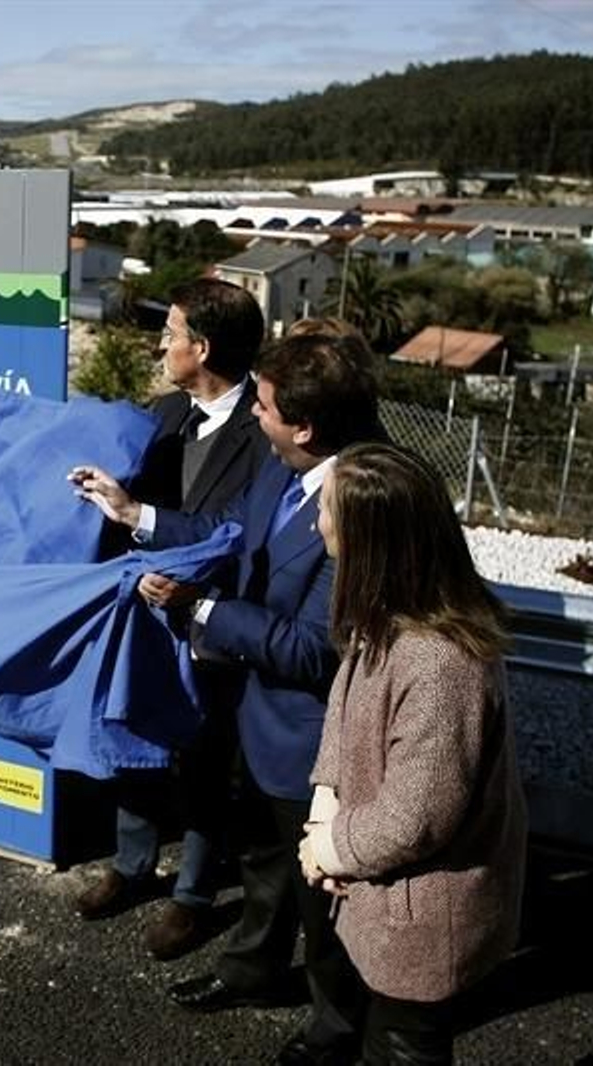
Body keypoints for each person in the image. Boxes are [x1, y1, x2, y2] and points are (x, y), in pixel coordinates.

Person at [70, 329, 384, 1065]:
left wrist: (199, 608)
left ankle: (337, 1029)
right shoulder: (287, 465)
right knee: (263, 862)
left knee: (324, 900)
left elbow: (316, 648)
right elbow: (226, 530)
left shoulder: (363, 497)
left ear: (303, 426)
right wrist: (134, 515)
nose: (255, 418)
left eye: (266, 408)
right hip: (253, 715)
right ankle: (252, 971)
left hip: (313, 736)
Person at [298, 443, 527, 1064]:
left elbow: (417, 815)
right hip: (380, 896)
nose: (316, 519)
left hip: (419, 920)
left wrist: (328, 848)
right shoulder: (389, 618)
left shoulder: (437, 660)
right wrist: (327, 805)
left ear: (372, 537)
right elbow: (344, 713)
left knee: (402, 1048)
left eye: (327, 509)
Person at [73, 278, 270, 963]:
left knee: (205, 764)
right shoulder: (161, 414)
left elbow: (237, 533)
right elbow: (131, 510)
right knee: (134, 743)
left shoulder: (264, 433)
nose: (162, 343)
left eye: (172, 333)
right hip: (142, 622)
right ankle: (131, 866)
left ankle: (192, 894)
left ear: (203, 348)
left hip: (213, 625)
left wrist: (141, 520)